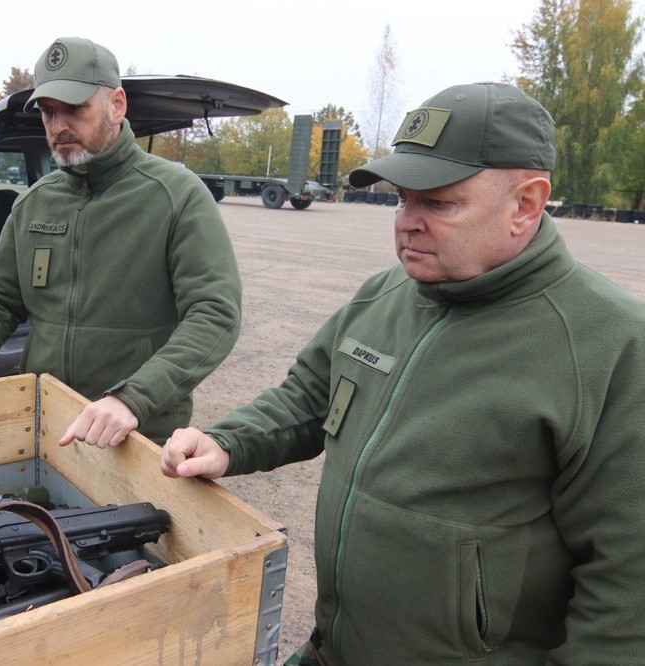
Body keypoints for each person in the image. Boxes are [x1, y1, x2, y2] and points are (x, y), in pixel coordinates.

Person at [160, 82, 645, 664]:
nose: (406, 223)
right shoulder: (387, 292)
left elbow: (628, 583)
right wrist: (227, 441)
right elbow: (311, 395)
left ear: (526, 204)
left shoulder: (609, 343)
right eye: (400, 199)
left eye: (438, 203)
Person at [0, 36, 241, 447]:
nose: (59, 126)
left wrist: (134, 398)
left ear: (117, 104)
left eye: (75, 109)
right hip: (46, 420)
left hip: (136, 433)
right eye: (49, 112)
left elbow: (214, 314)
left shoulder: (175, 195)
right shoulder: (36, 202)